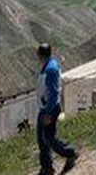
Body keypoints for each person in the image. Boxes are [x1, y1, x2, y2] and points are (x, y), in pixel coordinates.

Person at [35, 43, 77, 175]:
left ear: (40, 55)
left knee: (48, 138)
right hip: (45, 108)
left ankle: (70, 153)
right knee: (42, 139)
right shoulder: (49, 65)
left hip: (49, 109)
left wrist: (47, 112)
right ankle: (46, 167)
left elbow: (53, 93)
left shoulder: (50, 69)